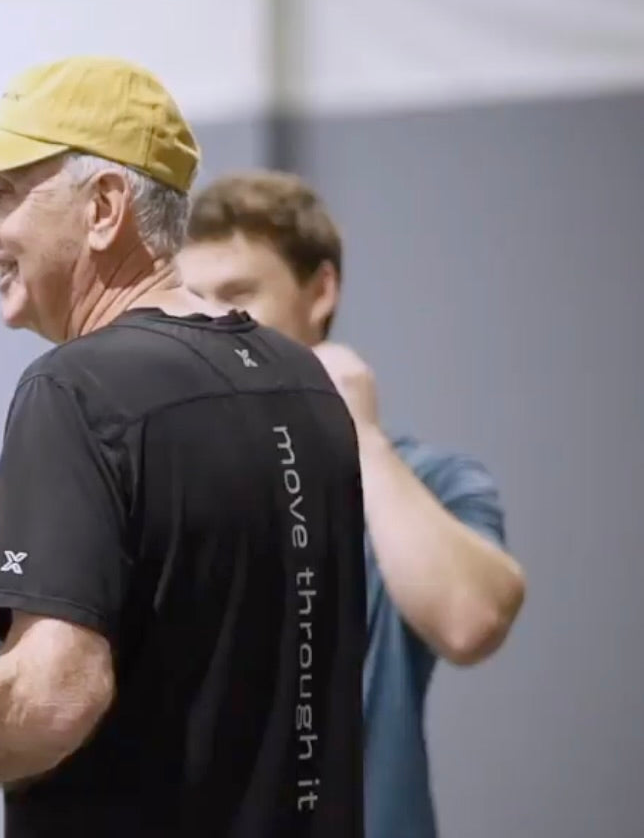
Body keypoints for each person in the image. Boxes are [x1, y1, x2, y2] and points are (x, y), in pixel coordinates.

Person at [0, 56, 368, 837]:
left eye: (1, 190)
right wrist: (49, 570)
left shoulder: (73, 389)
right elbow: (214, 627)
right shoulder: (301, 382)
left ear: (103, 207)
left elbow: (50, 695)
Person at [176, 169, 527, 838]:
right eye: (197, 299)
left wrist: (358, 437)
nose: (214, 322)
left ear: (322, 290)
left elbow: (471, 620)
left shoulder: (430, 480)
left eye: (240, 294)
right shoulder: (174, 486)